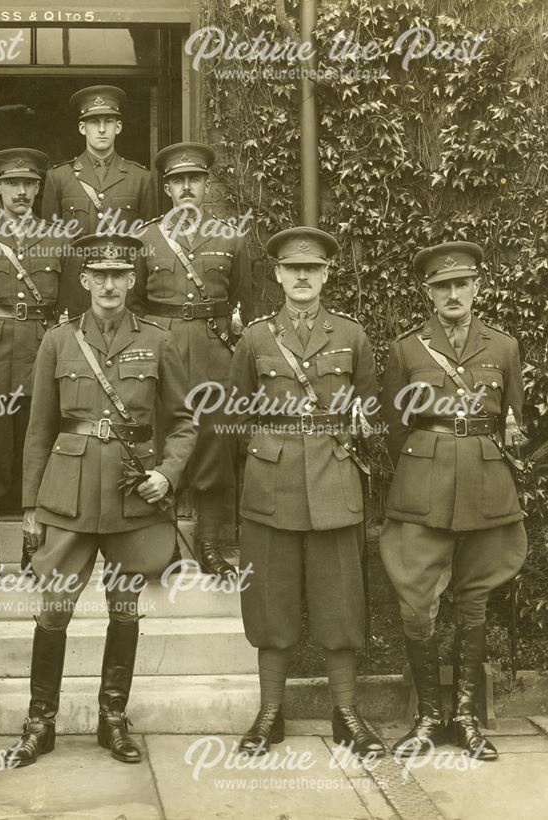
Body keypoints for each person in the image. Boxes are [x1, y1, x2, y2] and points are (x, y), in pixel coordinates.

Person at [6, 234, 196, 768]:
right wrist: (29, 507)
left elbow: (182, 422)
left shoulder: (160, 340)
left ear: (132, 280)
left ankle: (112, 718)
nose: (110, 284)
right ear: (85, 281)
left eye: (120, 274)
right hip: (67, 496)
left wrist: (167, 474)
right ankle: (39, 722)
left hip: (133, 495)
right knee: (54, 611)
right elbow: (39, 428)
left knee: (125, 608)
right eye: (99, 275)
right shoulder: (58, 341)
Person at [228, 227, 384, 758]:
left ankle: (346, 712)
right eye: (292, 269)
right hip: (270, 485)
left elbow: (367, 405)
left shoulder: (351, 335)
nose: (302, 277)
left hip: (334, 480)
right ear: (277, 274)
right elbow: (235, 408)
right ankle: (270, 714)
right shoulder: (254, 337)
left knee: (340, 603)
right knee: (271, 603)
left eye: (311, 269)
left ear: (324, 275)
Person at [380, 241, 526, 761]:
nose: (452, 294)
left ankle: (464, 717)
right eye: (442, 286)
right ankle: (425, 717)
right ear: (428, 293)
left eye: (461, 284)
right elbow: (396, 428)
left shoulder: (503, 346)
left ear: (476, 288)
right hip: (423, 487)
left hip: (487, 486)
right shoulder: (407, 349)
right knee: (417, 600)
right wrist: (433, 458)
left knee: (475, 597)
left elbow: (513, 418)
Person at [129, 142, 252, 576]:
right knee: (164, 442)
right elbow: (136, 303)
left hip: (214, 349)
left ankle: (209, 545)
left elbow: (244, 300)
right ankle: (165, 548)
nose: (186, 187)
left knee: (215, 445)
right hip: (162, 348)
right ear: (166, 188)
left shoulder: (231, 237)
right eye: (178, 181)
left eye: (194, 180)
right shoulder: (145, 238)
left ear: (204, 186)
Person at [0, 148, 68, 574]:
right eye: (12, 184)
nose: (21, 192)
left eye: (29, 184)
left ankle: (33, 542)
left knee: (39, 445)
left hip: (42, 350)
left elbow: (71, 307)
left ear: (38, 189)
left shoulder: (58, 239)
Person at [42, 85, 155, 317]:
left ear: (119, 127)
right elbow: (50, 246)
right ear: (83, 128)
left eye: (109, 122)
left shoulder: (140, 178)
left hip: (124, 292)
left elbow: (148, 244)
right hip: (76, 292)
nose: (102, 129)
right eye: (94, 122)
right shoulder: (59, 177)